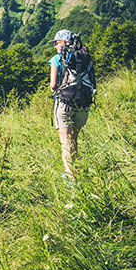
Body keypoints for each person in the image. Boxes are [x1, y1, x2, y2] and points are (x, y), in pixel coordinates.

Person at [49, 29, 89, 181]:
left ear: (63, 43)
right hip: (82, 103)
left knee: (66, 141)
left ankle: (71, 178)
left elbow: (53, 85)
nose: (55, 46)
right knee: (74, 139)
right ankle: (75, 169)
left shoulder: (57, 59)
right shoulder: (84, 57)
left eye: (57, 43)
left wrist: (55, 88)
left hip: (64, 103)